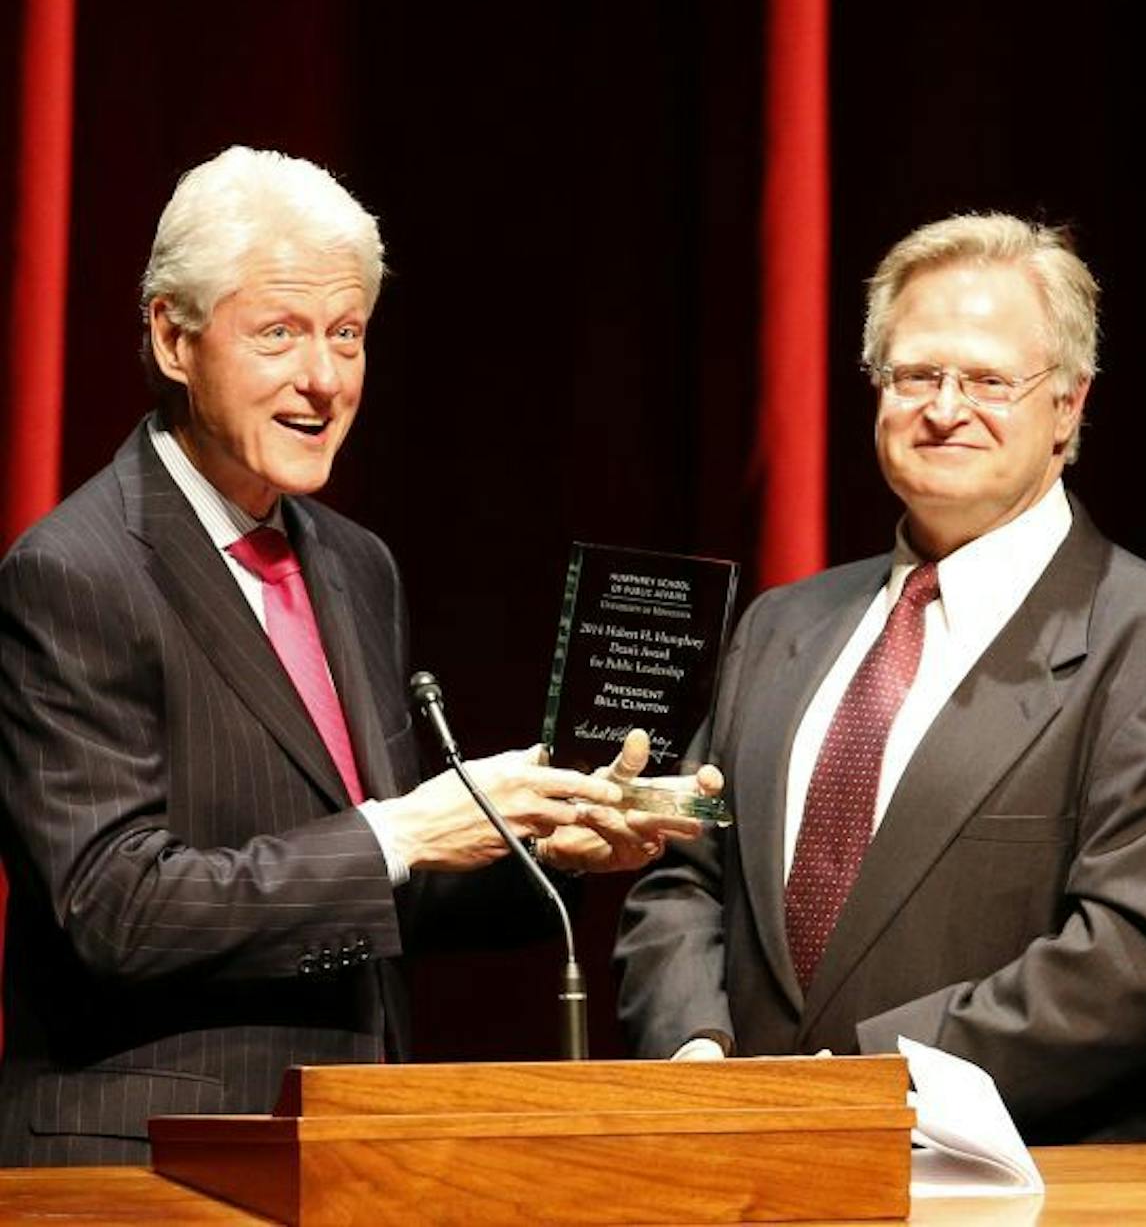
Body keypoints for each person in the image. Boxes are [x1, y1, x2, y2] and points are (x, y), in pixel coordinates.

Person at [0, 147, 698, 1167]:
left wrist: (540, 846)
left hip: (348, 1149)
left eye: (346, 335)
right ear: (170, 335)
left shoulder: (355, 565)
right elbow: (114, 909)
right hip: (148, 1166)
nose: (322, 379)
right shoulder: (74, 572)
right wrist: (402, 831)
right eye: (278, 333)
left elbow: (370, 886)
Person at [615, 212, 1146, 1143]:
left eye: (991, 379)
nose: (946, 407)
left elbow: (1130, 966)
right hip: (736, 1164)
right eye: (916, 373)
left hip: (1008, 1187)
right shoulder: (779, 626)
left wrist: (851, 1090)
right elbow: (682, 873)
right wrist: (695, 1050)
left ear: (1070, 406)